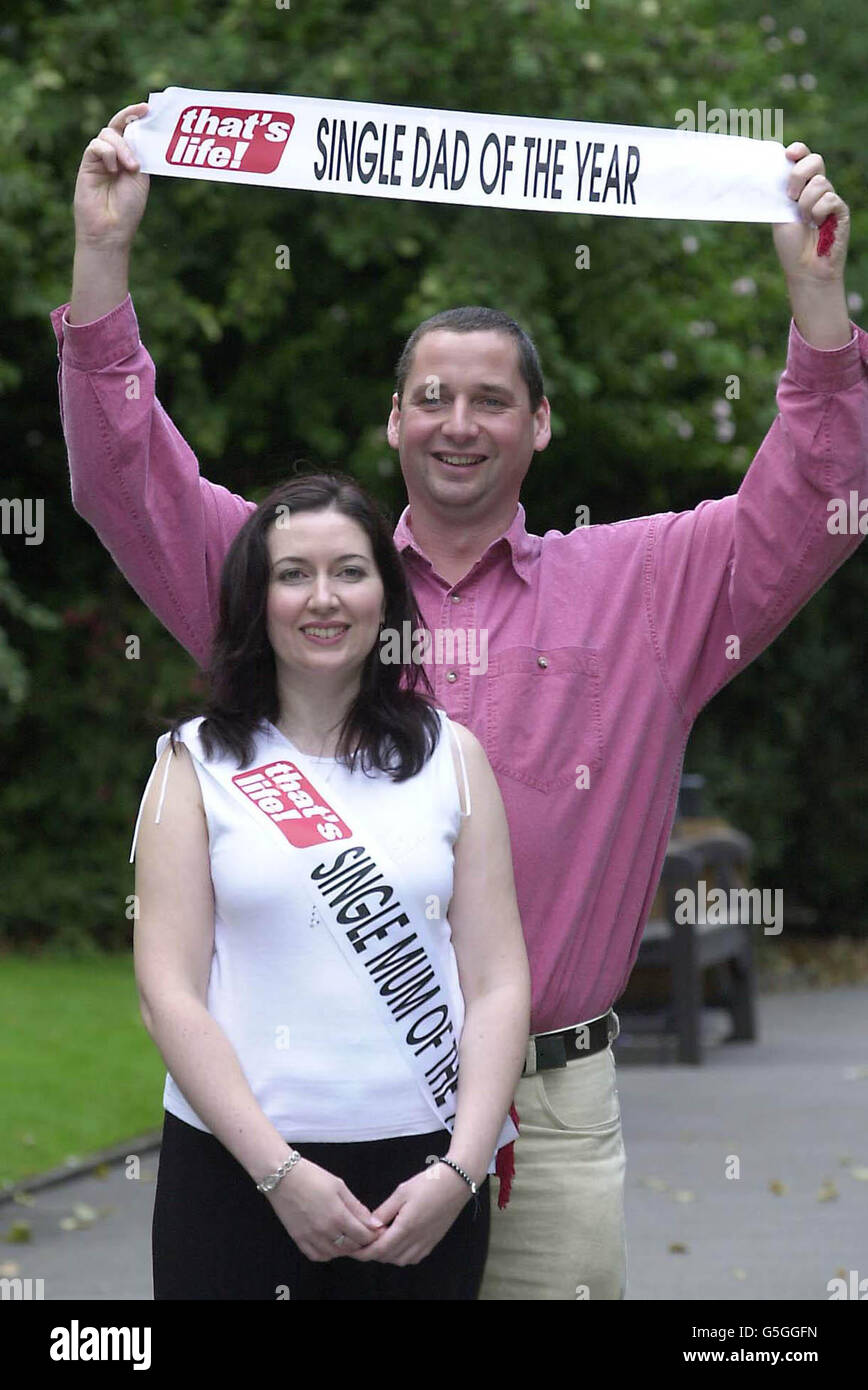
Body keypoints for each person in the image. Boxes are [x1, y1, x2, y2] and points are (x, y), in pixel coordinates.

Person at [53, 103, 867, 1300]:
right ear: (394, 420)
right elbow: (128, 484)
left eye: (492, 398)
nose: (458, 421)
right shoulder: (297, 582)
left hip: (548, 1112)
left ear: (540, 423)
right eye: (431, 394)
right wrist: (103, 260)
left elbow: (817, 505)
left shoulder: (647, 583)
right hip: (316, 1119)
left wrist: (816, 308)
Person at [128, 470, 531, 1300]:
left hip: (424, 1184)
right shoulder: (192, 764)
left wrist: (460, 1171)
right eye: (292, 574)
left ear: (386, 595)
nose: (324, 598)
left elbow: (498, 984)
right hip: (237, 1174)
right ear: (256, 598)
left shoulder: (452, 759)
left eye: (350, 570)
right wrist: (280, 1175)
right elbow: (166, 992)